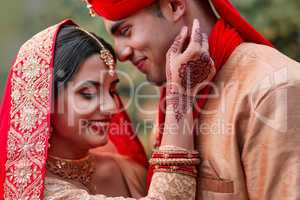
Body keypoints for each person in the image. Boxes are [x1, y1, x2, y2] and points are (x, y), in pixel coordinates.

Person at [84, 0, 300, 199]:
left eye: (126, 31)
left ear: (176, 5)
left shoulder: (272, 90)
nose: (120, 53)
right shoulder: (171, 100)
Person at [0, 18, 210, 199]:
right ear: (44, 101)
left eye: (112, 91)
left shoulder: (126, 170)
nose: (111, 107)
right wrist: (180, 94)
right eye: (88, 93)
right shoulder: (33, 192)